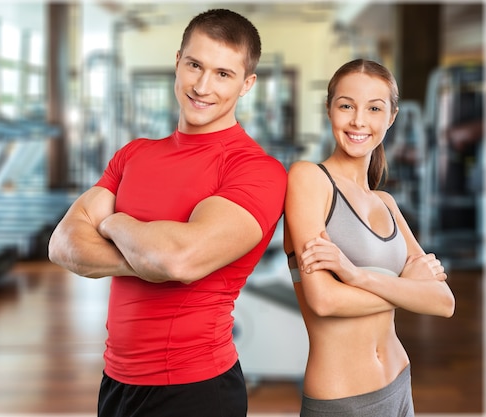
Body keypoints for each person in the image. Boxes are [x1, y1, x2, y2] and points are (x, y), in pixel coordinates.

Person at [48, 9, 287, 417]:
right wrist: (148, 257)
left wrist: (113, 222)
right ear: (178, 62)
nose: (202, 86)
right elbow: (63, 244)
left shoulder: (255, 170)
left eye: (223, 74)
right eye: (194, 65)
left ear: (247, 85)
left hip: (194, 388)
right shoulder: (134, 154)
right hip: (116, 381)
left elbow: (179, 259)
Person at [283, 58, 455, 417]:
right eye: (346, 105)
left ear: (390, 117)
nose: (359, 121)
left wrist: (356, 275)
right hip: (343, 399)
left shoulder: (386, 203)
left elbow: (443, 302)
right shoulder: (309, 179)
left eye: (374, 108)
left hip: (399, 384)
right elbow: (325, 301)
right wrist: (408, 288)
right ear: (329, 109)